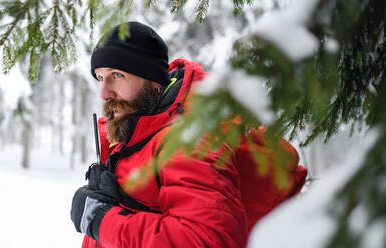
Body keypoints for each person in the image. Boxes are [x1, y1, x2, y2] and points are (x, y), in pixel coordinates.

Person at [70, 21, 307, 248]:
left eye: (117, 75)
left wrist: (102, 220)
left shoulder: (189, 140)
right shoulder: (139, 135)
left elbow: (208, 241)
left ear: (153, 82)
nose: (104, 92)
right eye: (100, 77)